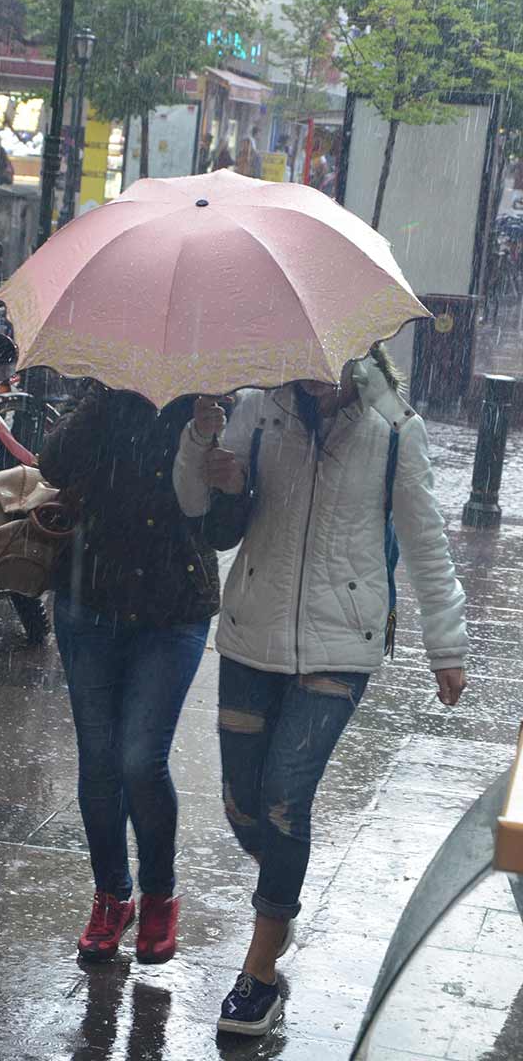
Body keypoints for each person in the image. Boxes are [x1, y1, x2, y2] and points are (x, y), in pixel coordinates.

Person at [172, 348, 468, 1038]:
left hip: (341, 641)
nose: (312, 374)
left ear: (358, 350)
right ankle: (282, 890)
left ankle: (260, 971)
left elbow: (424, 536)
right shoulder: (256, 409)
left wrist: (446, 647)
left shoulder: (393, 425)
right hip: (251, 635)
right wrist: (204, 450)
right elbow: (194, 504)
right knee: (244, 806)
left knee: (283, 798)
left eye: (327, 361)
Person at [38, 386, 220, 966]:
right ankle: (112, 895)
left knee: (140, 759)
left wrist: (210, 443)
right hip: (90, 599)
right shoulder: (103, 387)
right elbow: (54, 462)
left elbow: (221, 523)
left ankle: (160, 894)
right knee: (98, 762)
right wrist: (103, 394)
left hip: (172, 610)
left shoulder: (212, 396)